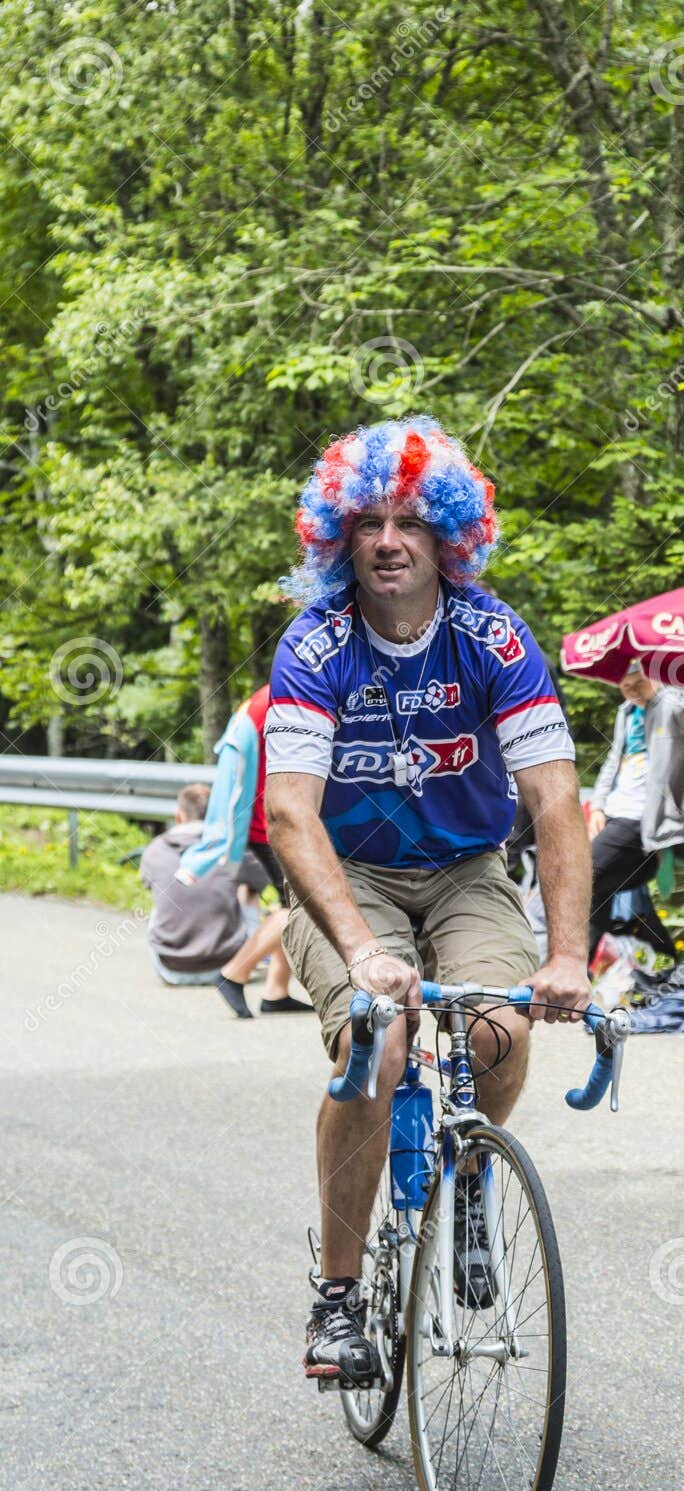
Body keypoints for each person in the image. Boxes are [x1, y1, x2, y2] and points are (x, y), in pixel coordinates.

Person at [264, 415, 591, 1388]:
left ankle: (472, 1175)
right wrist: (362, 950)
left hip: (463, 869)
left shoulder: (494, 637)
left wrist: (568, 955)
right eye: (370, 523)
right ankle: (337, 1297)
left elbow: (555, 801)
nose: (391, 541)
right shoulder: (316, 646)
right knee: (384, 1038)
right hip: (347, 873)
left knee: (497, 1027)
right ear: (342, 538)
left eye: (412, 521)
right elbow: (289, 814)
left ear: (450, 535)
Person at [587, 660, 684, 963]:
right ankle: (583, 973)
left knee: (582, 876)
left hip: (644, 818)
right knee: (595, 890)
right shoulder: (626, 711)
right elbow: (614, 760)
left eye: (638, 684)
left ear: (653, 677)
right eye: (625, 687)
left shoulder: (674, 706)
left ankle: (577, 971)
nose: (632, 692)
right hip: (616, 812)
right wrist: (599, 805)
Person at [176, 685, 312, 1019]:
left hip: (265, 821)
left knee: (291, 904)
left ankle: (276, 992)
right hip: (269, 826)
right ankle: (234, 973)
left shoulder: (272, 696)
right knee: (301, 906)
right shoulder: (278, 700)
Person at [141, 784, 271, 985]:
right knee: (249, 889)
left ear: (178, 816)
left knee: (161, 896)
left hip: (169, 969)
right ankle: (252, 960)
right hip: (225, 966)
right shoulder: (230, 848)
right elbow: (263, 881)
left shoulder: (155, 848)